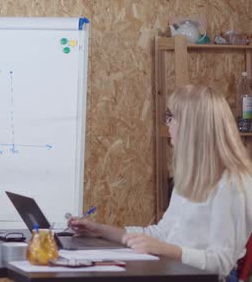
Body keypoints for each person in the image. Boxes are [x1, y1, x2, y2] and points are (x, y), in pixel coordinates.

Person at [68, 85, 252, 281]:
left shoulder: (232, 183)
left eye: (171, 117)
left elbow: (221, 263)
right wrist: (101, 230)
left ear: (192, 125)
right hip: (173, 271)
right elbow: (162, 233)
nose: (168, 124)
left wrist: (165, 250)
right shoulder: (191, 176)